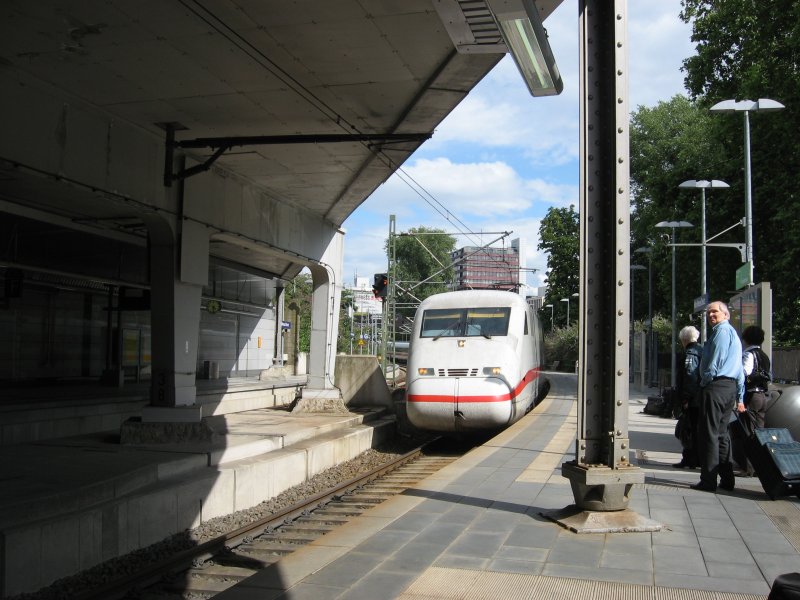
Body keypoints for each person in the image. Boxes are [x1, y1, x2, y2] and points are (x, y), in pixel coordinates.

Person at [692, 301, 744, 492]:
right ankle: (727, 480)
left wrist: (704, 382)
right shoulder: (733, 334)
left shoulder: (721, 332)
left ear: (725, 314)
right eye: (708, 312)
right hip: (729, 387)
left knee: (709, 434)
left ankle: (708, 481)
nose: (710, 315)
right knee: (722, 434)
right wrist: (739, 395)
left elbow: (716, 360)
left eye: (714, 311)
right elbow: (740, 371)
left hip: (716, 386)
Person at [730, 325, 771, 474]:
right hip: (762, 396)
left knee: (748, 432)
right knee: (759, 432)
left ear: (745, 339)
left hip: (751, 396)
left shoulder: (748, 354)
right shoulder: (764, 355)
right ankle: (761, 466)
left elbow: (744, 373)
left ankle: (748, 468)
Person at [673, 325, 703, 469]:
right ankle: (696, 458)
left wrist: (686, 399)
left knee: (688, 430)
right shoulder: (702, 350)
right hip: (701, 398)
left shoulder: (690, 354)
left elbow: (690, 376)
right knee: (697, 430)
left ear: (684, 339)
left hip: (693, 400)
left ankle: (690, 458)